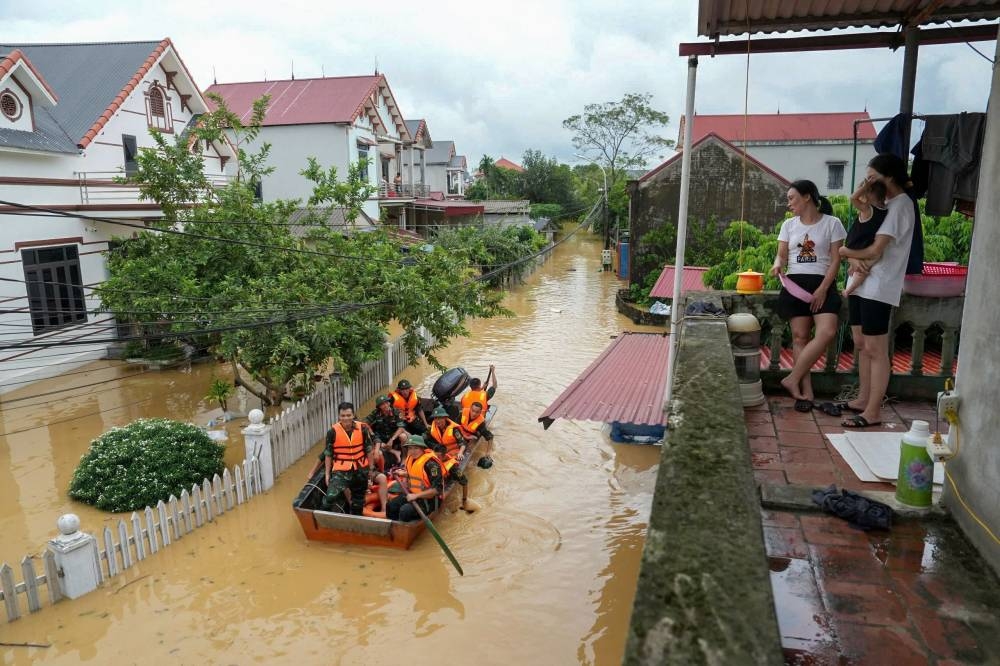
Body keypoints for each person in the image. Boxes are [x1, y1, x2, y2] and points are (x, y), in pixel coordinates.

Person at [837, 153, 917, 429]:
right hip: (862, 282)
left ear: (889, 177)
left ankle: (873, 411)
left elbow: (876, 249)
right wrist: (852, 257)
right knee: (860, 342)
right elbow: (864, 239)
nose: (868, 182)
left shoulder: (901, 206)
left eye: (873, 177)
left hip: (880, 285)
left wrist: (846, 252)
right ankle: (862, 399)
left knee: (875, 348)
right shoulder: (881, 205)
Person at [770, 180, 847, 411]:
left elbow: (836, 260)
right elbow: (782, 256)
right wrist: (777, 265)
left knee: (827, 332)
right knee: (800, 337)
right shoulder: (788, 225)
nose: (789, 203)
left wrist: (823, 289)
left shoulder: (833, 223)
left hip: (822, 283)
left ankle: (792, 378)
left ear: (807, 197)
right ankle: (806, 391)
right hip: (795, 284)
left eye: (792, 198)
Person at [321, 402, 377, 514]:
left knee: (358, 500)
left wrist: (371, 468)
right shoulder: (332, 432)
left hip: (360, 469)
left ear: (353, 415)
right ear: (339, 416)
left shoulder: (362, 428)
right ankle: (323, 516)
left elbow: (369, 449)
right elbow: (328, 454)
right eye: (343, 416)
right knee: (331, 496)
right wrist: (327, 474)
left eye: (348, 415)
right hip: (341, 471)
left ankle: (355, 518)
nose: (346, 418)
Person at [843, 178, 889, 297]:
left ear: (867, 194)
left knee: (861, 270)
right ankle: (853, 268)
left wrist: (864, 187)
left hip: (857, 246)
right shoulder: (885, 210)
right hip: (866, 245)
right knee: (863, 268)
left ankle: (848, 290)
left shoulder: (868, 209)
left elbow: (852, 198)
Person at [387, 435, 445, 522]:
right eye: (410, 448)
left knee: (405, 510)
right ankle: (394, 527)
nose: (412, 451)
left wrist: (416, 496)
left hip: (429, 500)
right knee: (391, 505)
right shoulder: (411, 458)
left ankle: (405, 529)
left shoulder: (431, 465)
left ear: (422, 448)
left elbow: (437, 490)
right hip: (412, 494)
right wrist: (402, 474)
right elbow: (416, 475)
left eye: (416, 448)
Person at [426, 406, 471, 508]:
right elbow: (426, 439)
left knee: (453, 467)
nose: (437, 421)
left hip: (453, 451)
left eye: (440, 418)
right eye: (435, 418)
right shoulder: (432, 428)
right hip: (440, 450)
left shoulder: (454, 429)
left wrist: (460, 452)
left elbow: (462, 443)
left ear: (445, 418)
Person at [365, 394, 407, 468]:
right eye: (382, 404)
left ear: (389, 403)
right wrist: (371, 433)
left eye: (386, 402)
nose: (385, 405)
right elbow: (364, 423)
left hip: (394, 437)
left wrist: (392, 439)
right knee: (370, 439)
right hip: (381, 438)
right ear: (379, 407)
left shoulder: (396, 411)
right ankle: (395, 452)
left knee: (403, 436)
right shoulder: (376, 413)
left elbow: (401, 427)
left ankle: (404, 458)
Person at [459, 401, 496, 469]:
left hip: (470, 437)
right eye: (473, 411)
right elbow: (455, 425)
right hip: (460, 433)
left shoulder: (480, 423)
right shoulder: (463, 413)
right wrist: (463, 435)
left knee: (469, 446)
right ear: (470, 409)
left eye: (477, 412)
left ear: (480, 412)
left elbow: (490, 437)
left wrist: (488, 452)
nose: (474, 414)